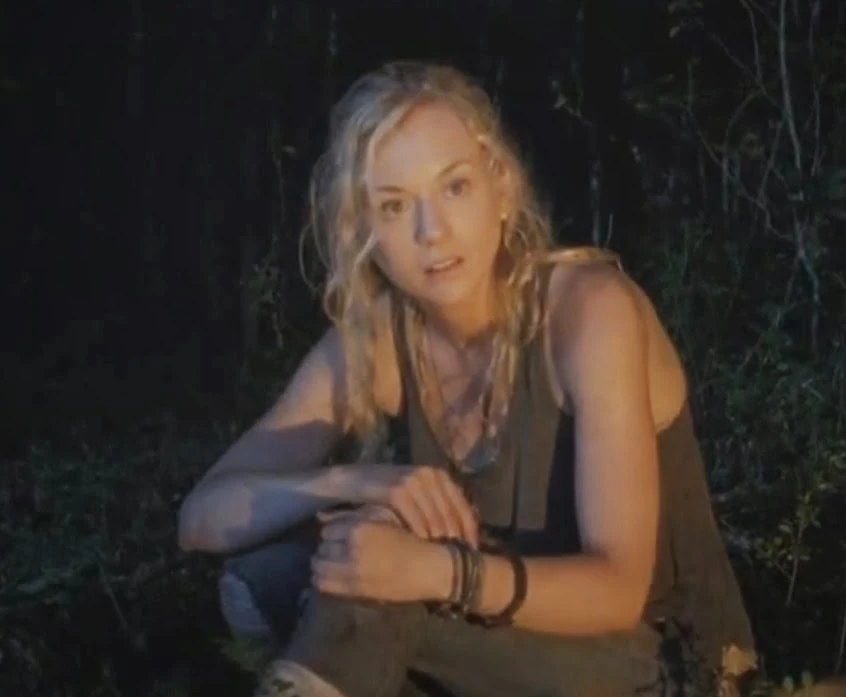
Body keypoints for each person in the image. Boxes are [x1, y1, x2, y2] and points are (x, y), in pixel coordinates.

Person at [178, 61, 757, 697]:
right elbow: (204, 517)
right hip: (492, 648)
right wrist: (354, 480)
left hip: (667, 663)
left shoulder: (589, 311)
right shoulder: (379, 341)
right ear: (364, 231)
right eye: (395, 206)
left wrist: (434, 572)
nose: (432, 232)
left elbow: (618, 590)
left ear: (500, 188)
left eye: (454, 187)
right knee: (270, 569)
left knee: (373, 578)